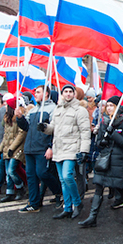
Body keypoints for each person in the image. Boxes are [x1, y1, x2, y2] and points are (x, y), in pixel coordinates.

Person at [78, 96, 123, 227]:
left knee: (120, 187)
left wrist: (113, 133)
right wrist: (101, 141)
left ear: (117, 107)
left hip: (117, 159)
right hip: (104, 158)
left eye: (111, 105)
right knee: (99, 185)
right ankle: (92, 217)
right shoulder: (103, 121)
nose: (108, 108)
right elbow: (98, 143)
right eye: (107, 105)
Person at [41, 84, 91, 219]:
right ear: (62, 94)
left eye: (70, 91)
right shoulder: (58, 109)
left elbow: (85, 131)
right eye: (65, 92)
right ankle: (67, 208)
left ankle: (77, 203)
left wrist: (84, 150)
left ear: (74, 94)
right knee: (63, 180)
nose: (68, 94)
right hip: (59, 147)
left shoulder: (80, 110)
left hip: (72, 147)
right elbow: (53, 128)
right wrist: (44, 127)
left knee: (68, 176)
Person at [16, 85, 62, 212]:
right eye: (35, 92)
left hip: (43, 147)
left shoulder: (53, 109)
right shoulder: (32, 110)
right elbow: (26, 127)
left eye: (38, 92)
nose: (35, 94)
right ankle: (34, 203)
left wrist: (50, 147)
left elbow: (55, 130)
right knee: (31, 176)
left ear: (46, 94)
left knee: (43, 173)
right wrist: (20, 118)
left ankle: (59, 192)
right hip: (31, 147)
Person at [0, 98, 27, 202]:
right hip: (7, 147)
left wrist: (12, 148)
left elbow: (21, 134)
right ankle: (9, 192)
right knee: (8, 172)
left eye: (7, 104)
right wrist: (0, 149)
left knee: (11, 170)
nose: (4, 106)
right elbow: (5, 136)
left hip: (17, 148)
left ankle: (20, 187)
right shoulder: (6, 119)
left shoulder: (18, 118)